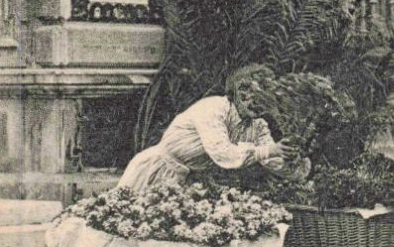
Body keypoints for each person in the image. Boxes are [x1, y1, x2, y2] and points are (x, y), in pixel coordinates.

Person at [118, 65, 287, 190]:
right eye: (247, 96)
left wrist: (290, 152)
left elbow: (272, 159)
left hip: (191, 183)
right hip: (154, 172)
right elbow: (224, 154)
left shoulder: (257, 125)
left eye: (263, 100)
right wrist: (270, 150)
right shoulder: (213, 109)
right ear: (236, 93)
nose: (255, 104)